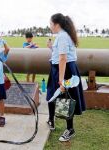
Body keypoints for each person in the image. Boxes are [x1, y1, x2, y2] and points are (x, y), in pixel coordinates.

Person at [46, 13, 86, 142]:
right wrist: (52, 48)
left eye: (51, 24)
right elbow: (60, 55)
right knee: (52, 95)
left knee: (66, 100)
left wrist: (61, 80)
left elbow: (63, 58)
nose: (50, 26)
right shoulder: (62, 36)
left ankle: (70, 129)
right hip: (59, 69)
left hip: (64, 71)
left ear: (56, 24)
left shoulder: (63, 36)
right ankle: (51, 120)